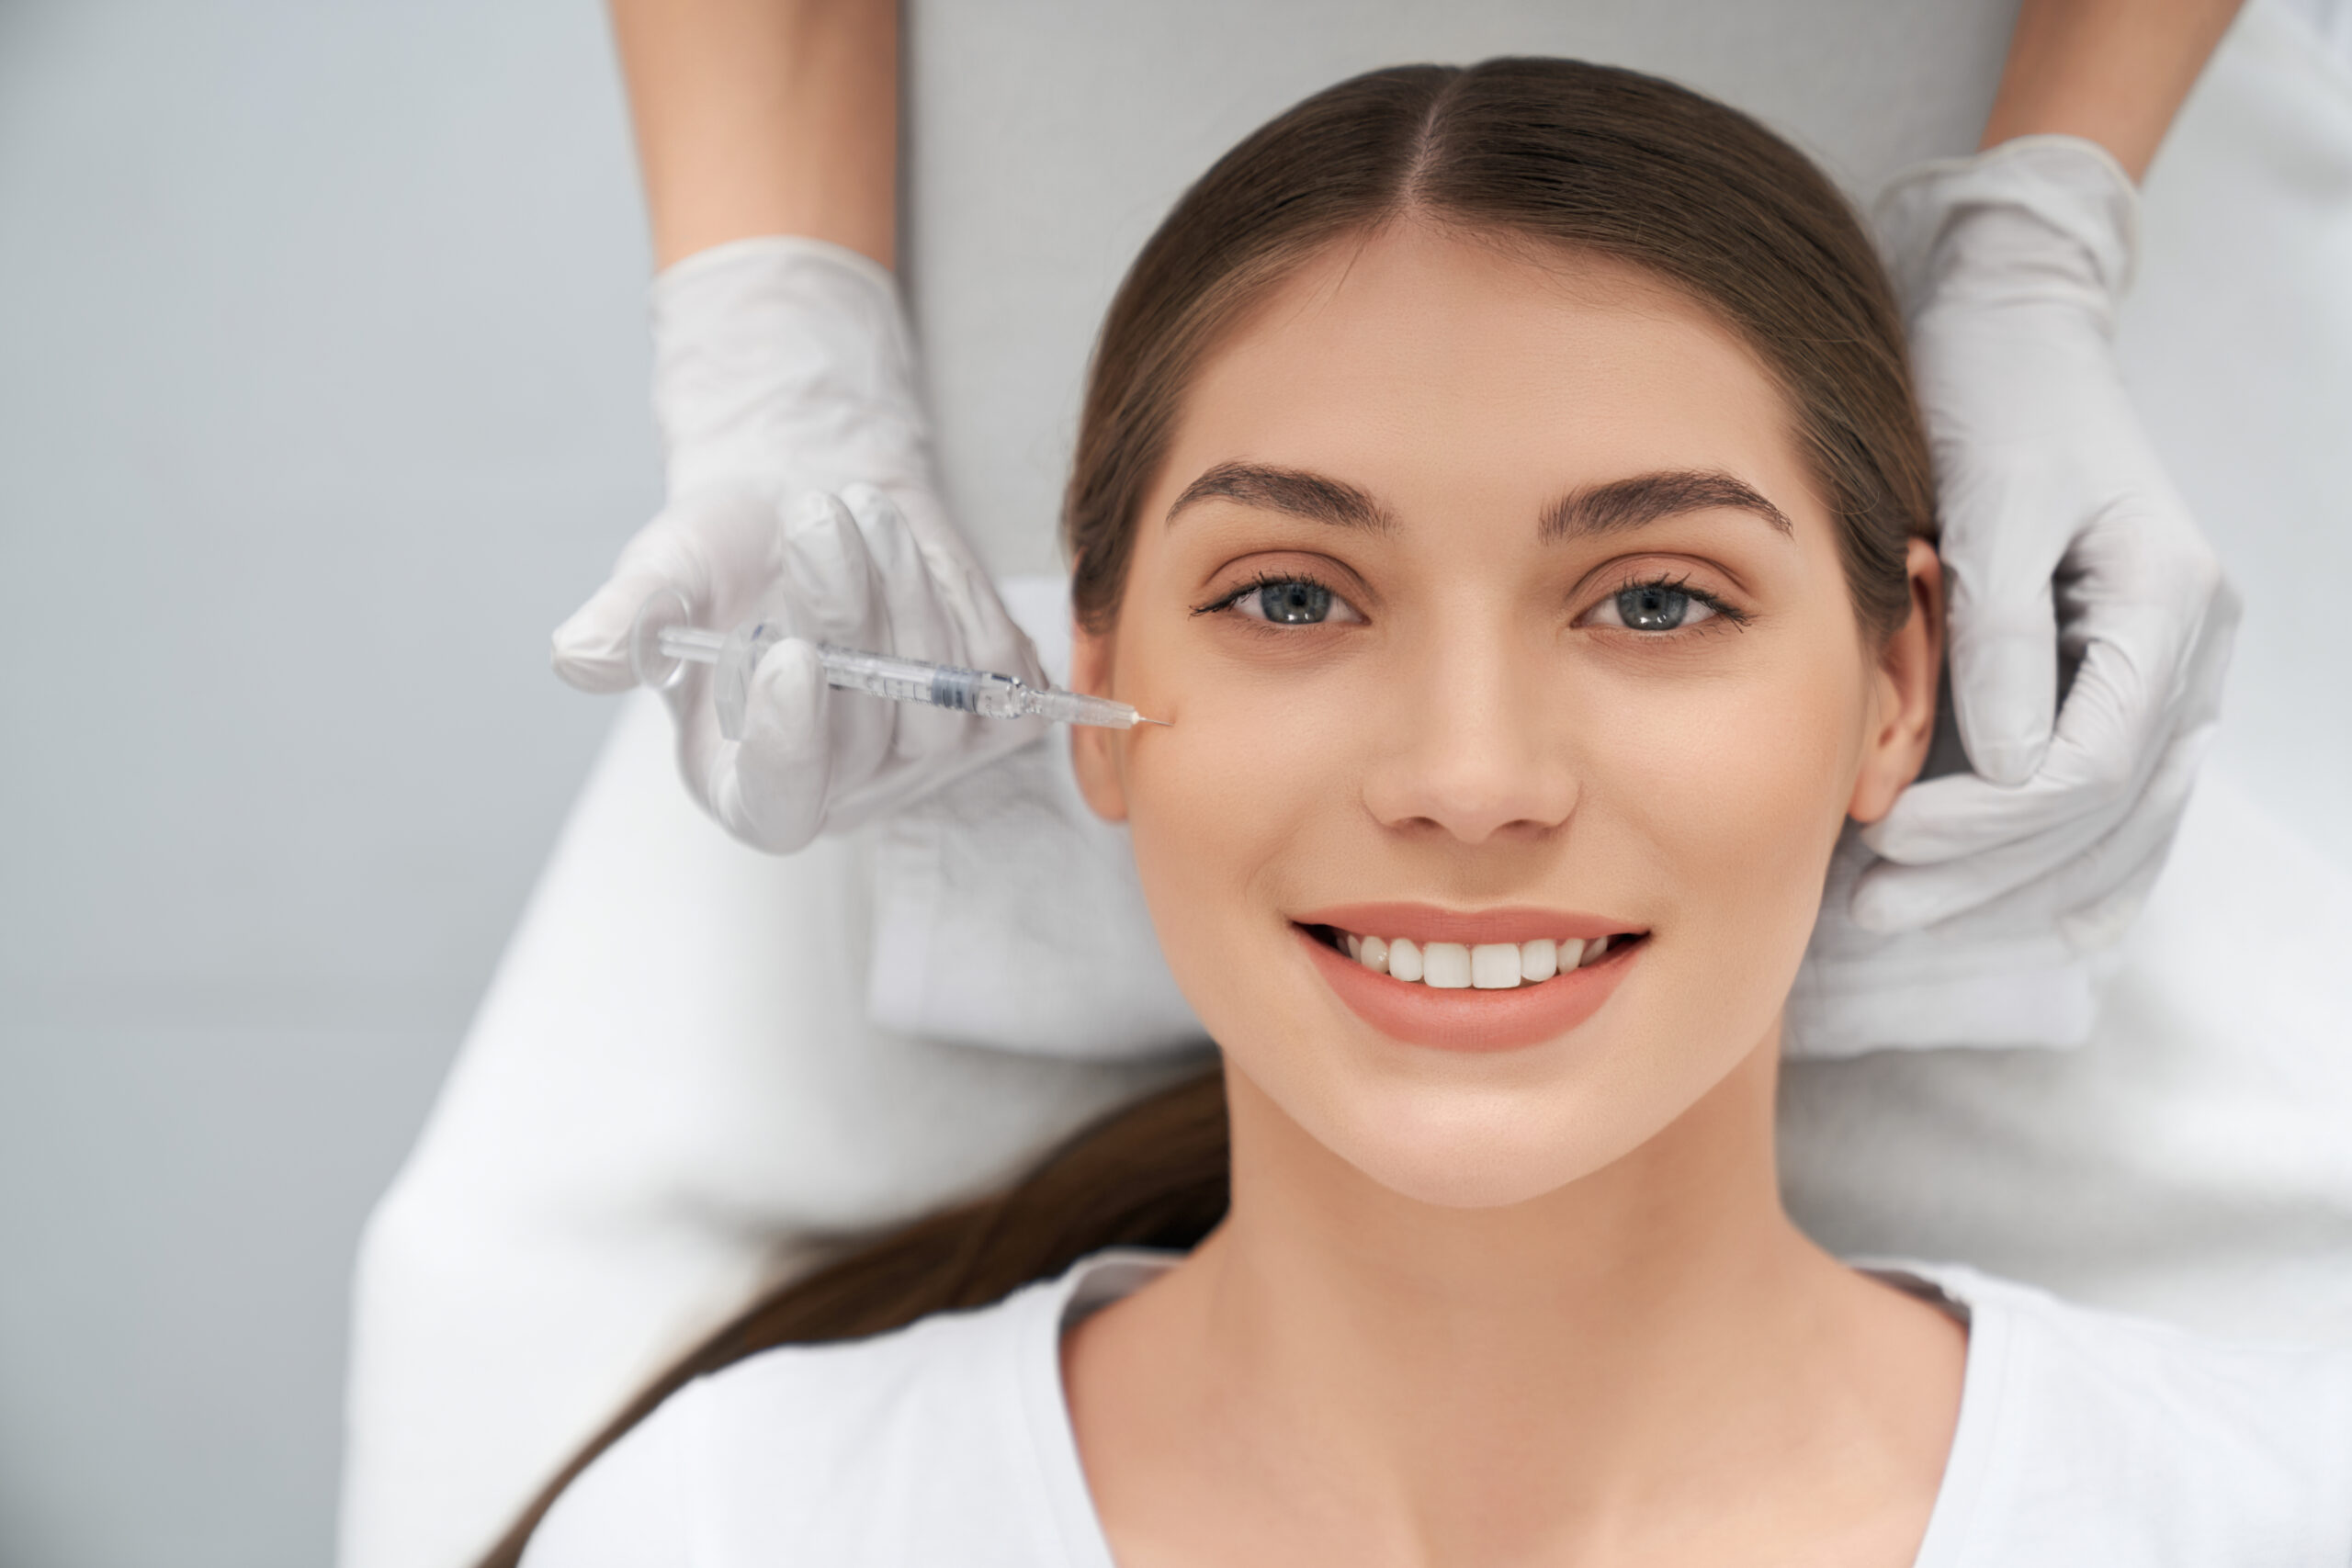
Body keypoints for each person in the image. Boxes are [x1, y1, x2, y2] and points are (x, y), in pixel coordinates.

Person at [341, 5, 2278, 1565]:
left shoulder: (2231, 1501)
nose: (1467, 776)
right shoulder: (725, 1517)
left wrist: (2040, 228)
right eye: (1288, 592)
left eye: (1656, 597)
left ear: (1897, 682)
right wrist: (774, 349)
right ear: (1082, 654)